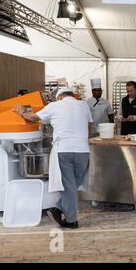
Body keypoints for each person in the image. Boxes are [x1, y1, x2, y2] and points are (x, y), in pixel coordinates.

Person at [14, 87, 93, 229]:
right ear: (71, 94)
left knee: (69, 186)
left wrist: (21, 111)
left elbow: (31, 118)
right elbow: (89, 126)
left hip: (64, 150)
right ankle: (60, 209)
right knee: (74, 184)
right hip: (83, 150)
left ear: (59, 97)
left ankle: (71, 220)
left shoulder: (54, 106)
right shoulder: (84, 105)